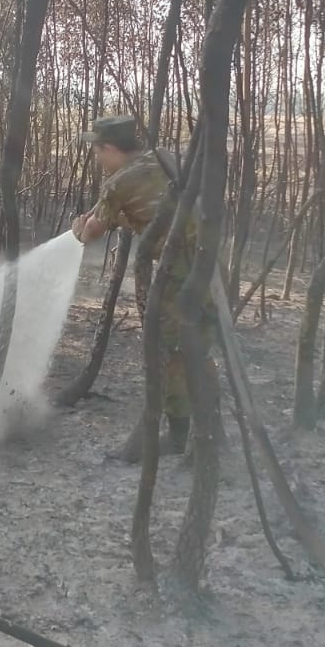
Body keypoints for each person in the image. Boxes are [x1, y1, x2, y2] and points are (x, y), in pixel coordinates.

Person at [70, 114, 216, 462]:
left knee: (169, 351)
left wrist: (80, 228)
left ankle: (181, 437)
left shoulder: (119, 183)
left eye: (97, 151)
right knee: (200, 347)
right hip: (208, 265)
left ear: (109, 148)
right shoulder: (165, 157)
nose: (96, 158)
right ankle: (207, 431)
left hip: (176, 274)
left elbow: (90, 233)